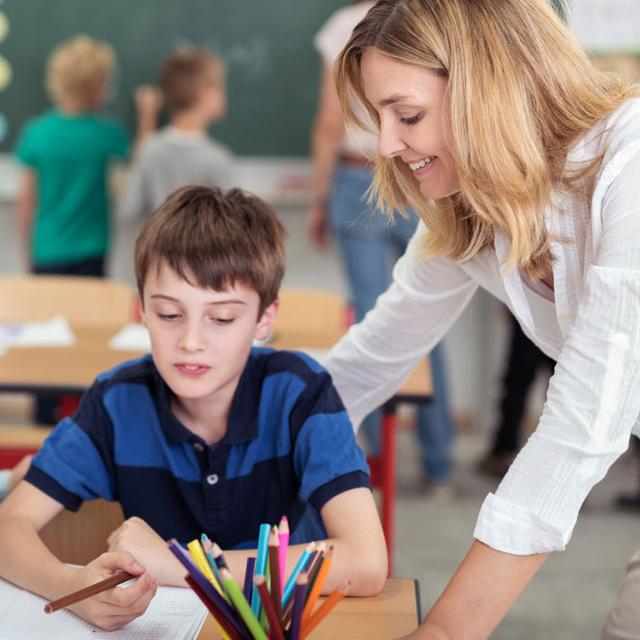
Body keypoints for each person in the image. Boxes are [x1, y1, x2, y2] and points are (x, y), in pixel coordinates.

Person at [322, 0, 640, 637]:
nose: (385, 144)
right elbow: (370, 361)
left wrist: (444, 630)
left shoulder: (628, 167)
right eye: (378, 117)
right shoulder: (469, 210)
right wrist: (227, 421)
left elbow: (582, 428)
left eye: (407, 115)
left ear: (488, 90)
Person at [0, 186, 387, 631]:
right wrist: (72, 590)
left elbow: (366, 562)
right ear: (141, 309)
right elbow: (9, 528)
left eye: (221, 319)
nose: (191, 341)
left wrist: (184, 566)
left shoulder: (300, 392)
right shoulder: (117, 401)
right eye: (169, 314)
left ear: (264, 318)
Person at [310, 1, 454, 494]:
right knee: (423, 322)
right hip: (424, 169)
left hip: (358, 177)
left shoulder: (341, 27)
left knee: (381, 319)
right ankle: (439, 465)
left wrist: (317, 199)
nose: (392, 133)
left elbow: (331, 125)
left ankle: (363, 467)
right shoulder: (431, 19)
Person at [13, 35, 142, 425]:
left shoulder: (36, 132)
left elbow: (27, 202)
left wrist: (28, 253)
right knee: (88, 335)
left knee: (43, 337)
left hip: (45, 250)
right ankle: (85, 418)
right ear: (95, 85)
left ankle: (42, 415)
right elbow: (139, 163)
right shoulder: (105, 133)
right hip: (90, 250)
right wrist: (148, 117)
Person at [118, 48, 234, 220]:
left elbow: (129, 208)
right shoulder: (218, 160)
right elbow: (235, 224)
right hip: (205, 248)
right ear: (204, 96)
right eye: (220, 88)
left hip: (157, 246)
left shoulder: (150, 149)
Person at [477, 313, 555, 478]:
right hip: (565, 317)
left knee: (517, 385)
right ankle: (563, 467)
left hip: (533, 311)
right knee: (564, 393)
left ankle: (502, 451)